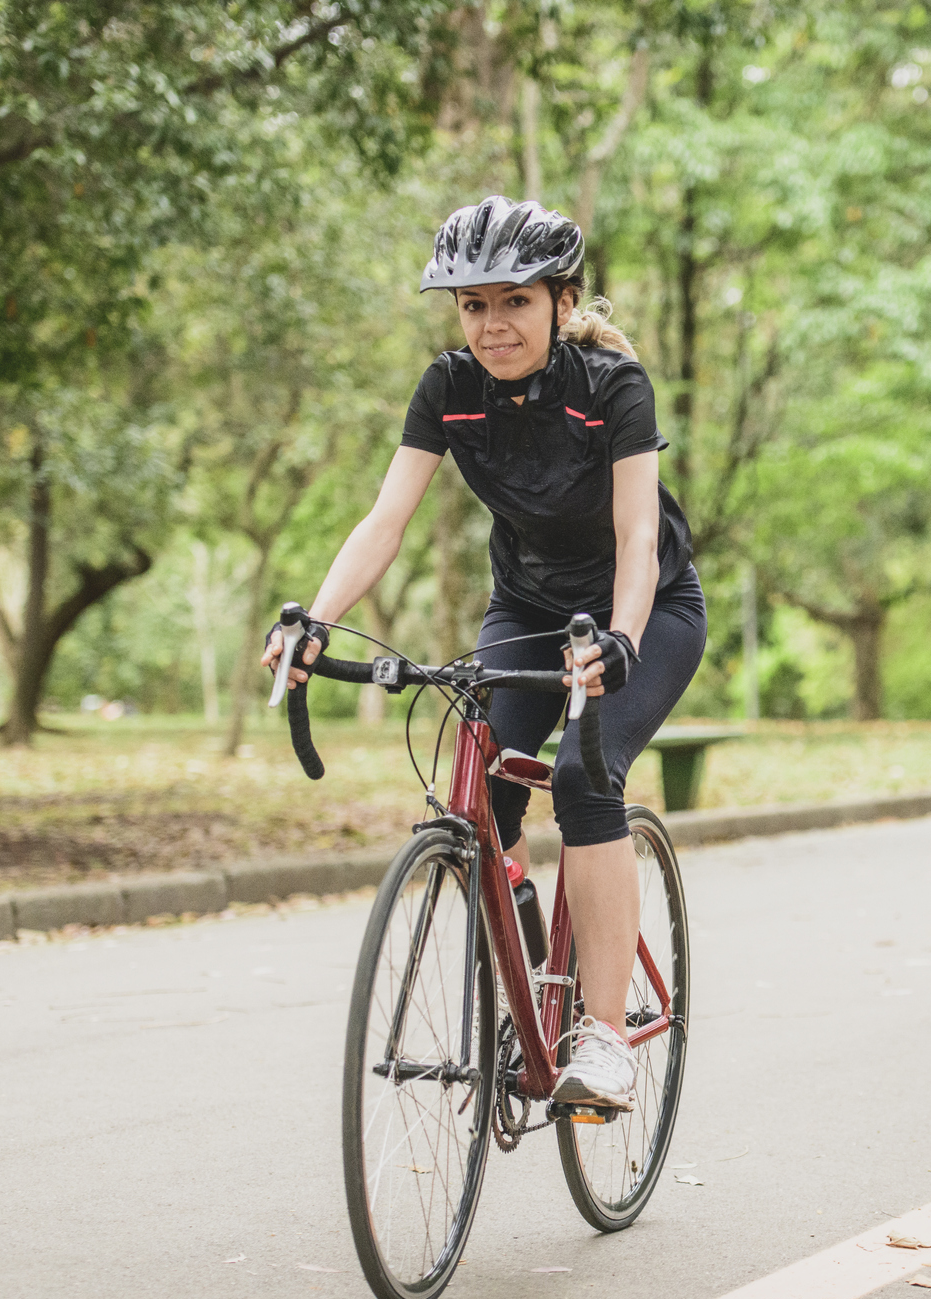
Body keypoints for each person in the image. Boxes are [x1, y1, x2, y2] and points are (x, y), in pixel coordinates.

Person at [263, 195, 706, 1111]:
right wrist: (315, 620)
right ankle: (536, 970)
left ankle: (605, 1036)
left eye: (514, 302)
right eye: (473, 307)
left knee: (586, 781)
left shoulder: (611, 389)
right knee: (482, 794)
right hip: (529, 608)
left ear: (558, 299)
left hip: (646, 609)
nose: (493, 324)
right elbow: (385, 522)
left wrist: (620, 638)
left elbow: (636, 540)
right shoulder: (450, 389)